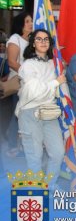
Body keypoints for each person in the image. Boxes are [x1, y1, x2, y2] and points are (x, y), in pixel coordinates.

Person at [14, 29, 65, 189]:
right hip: (30, 112)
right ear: (33, 43)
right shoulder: (27, 65)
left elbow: (58, 89)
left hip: (49, 111)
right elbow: (33, 92)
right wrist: (55, 83)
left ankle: (50, 184)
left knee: (58, 152)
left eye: (46, 39)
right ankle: (36, 189)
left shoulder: (53, 63)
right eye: (39, 39)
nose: (43, 42)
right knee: (34, 155)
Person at [5, 12, 33, 157]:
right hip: (19, 83)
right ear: (20, 23)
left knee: (27, 116)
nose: (30, 23)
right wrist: (27, 74)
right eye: (27, 21)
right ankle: (11, 145)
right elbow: (12, 62)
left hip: (31, 84)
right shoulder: (15, 39)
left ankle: (23, 145)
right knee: (18, 115)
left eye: (31, 21)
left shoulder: (33, 40)